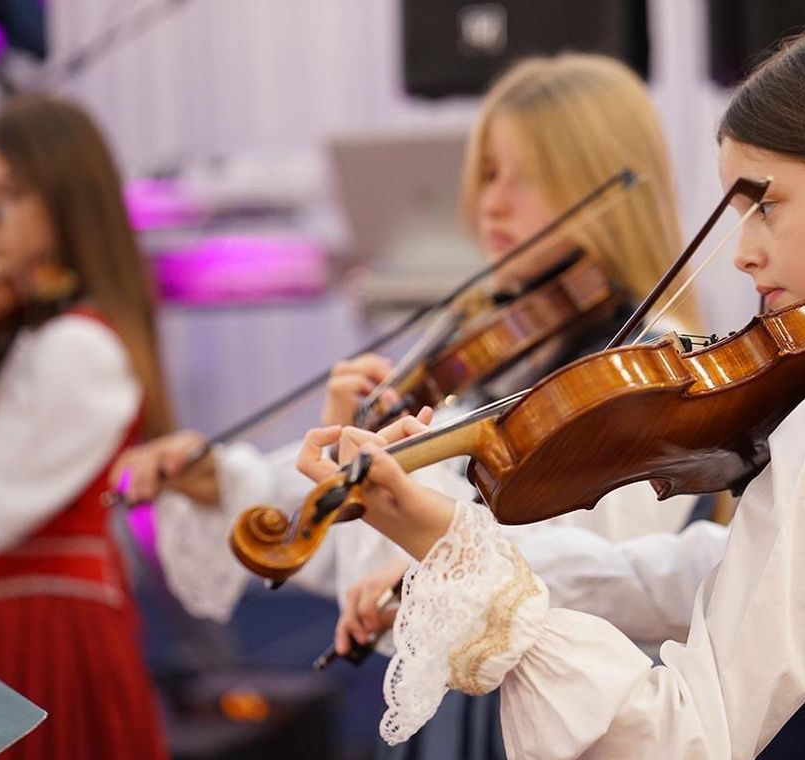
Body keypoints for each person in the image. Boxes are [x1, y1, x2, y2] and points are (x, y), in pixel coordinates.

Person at [297, 16, 805, 759]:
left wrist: (468, 562)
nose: (742, 253)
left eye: (765, 204)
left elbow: (688, 734)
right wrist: (458, 545)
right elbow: (710, 573)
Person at [114, 53, 730, 757]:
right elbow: (365, 549)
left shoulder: (653, 369)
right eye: (488, 173)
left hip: (562, 715)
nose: (490, 202)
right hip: (460, 708)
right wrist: (236, 477)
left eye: (523, 176)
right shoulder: (497, 352)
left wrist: (426, 521)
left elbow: (605, 572)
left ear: (603, 184)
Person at [0, 95, 170, 760]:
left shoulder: (79, 349)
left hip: (35, 640)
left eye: (9, 195)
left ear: (69, 200)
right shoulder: (9, 340)